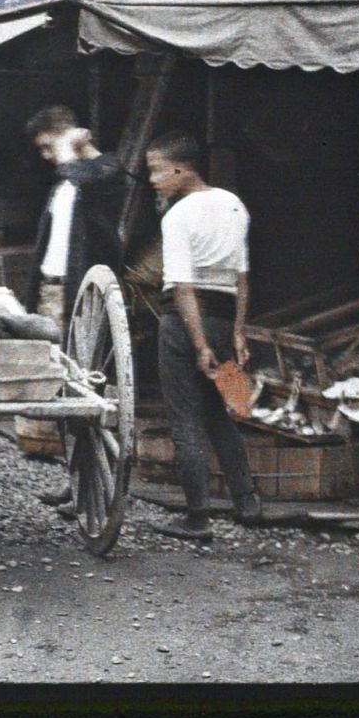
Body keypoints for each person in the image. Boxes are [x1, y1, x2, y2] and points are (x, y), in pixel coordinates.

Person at [144, 131, 264, 536]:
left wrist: (198, 345)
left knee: (186, 419)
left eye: (158, 171)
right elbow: (242, 277)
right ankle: (247, 503)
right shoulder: (233, 204)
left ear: (181, 169)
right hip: (224, 318)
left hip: (185, 323)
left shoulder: (177, 216)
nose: (154, 180)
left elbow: (182, 287)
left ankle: (197, 516)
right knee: (221, 415)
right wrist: (238, 332)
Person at [22, 105, 127, 512]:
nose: (48, 157)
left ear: (68, 136)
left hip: (78, 294)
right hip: (52, 289)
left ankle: (89, 486)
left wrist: (70, 149)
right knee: (62, 385)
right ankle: (75, 479)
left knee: (86, 385)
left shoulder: (106, 171)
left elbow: (89, 173)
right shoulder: (66, 181)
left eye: (49, 145)